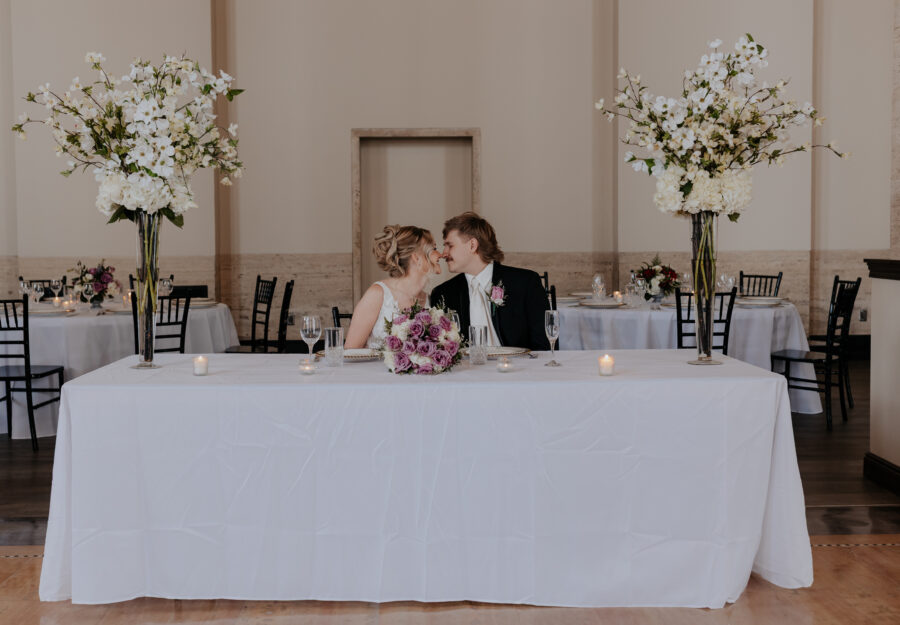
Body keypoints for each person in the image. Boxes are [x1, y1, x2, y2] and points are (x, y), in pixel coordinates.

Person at [430, 212, 550, 351]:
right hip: (467, 371)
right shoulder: (443, 293)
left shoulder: (525, 283)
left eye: (449, 245)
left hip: (519, 369)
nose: (444, 253)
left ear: (472, 245)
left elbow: (544, 345)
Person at [344, 225, 442, 349]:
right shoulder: (378, 294)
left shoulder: (430, 299)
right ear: (417, 258)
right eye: (434, 249)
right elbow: (350, 352)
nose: (440, 254)